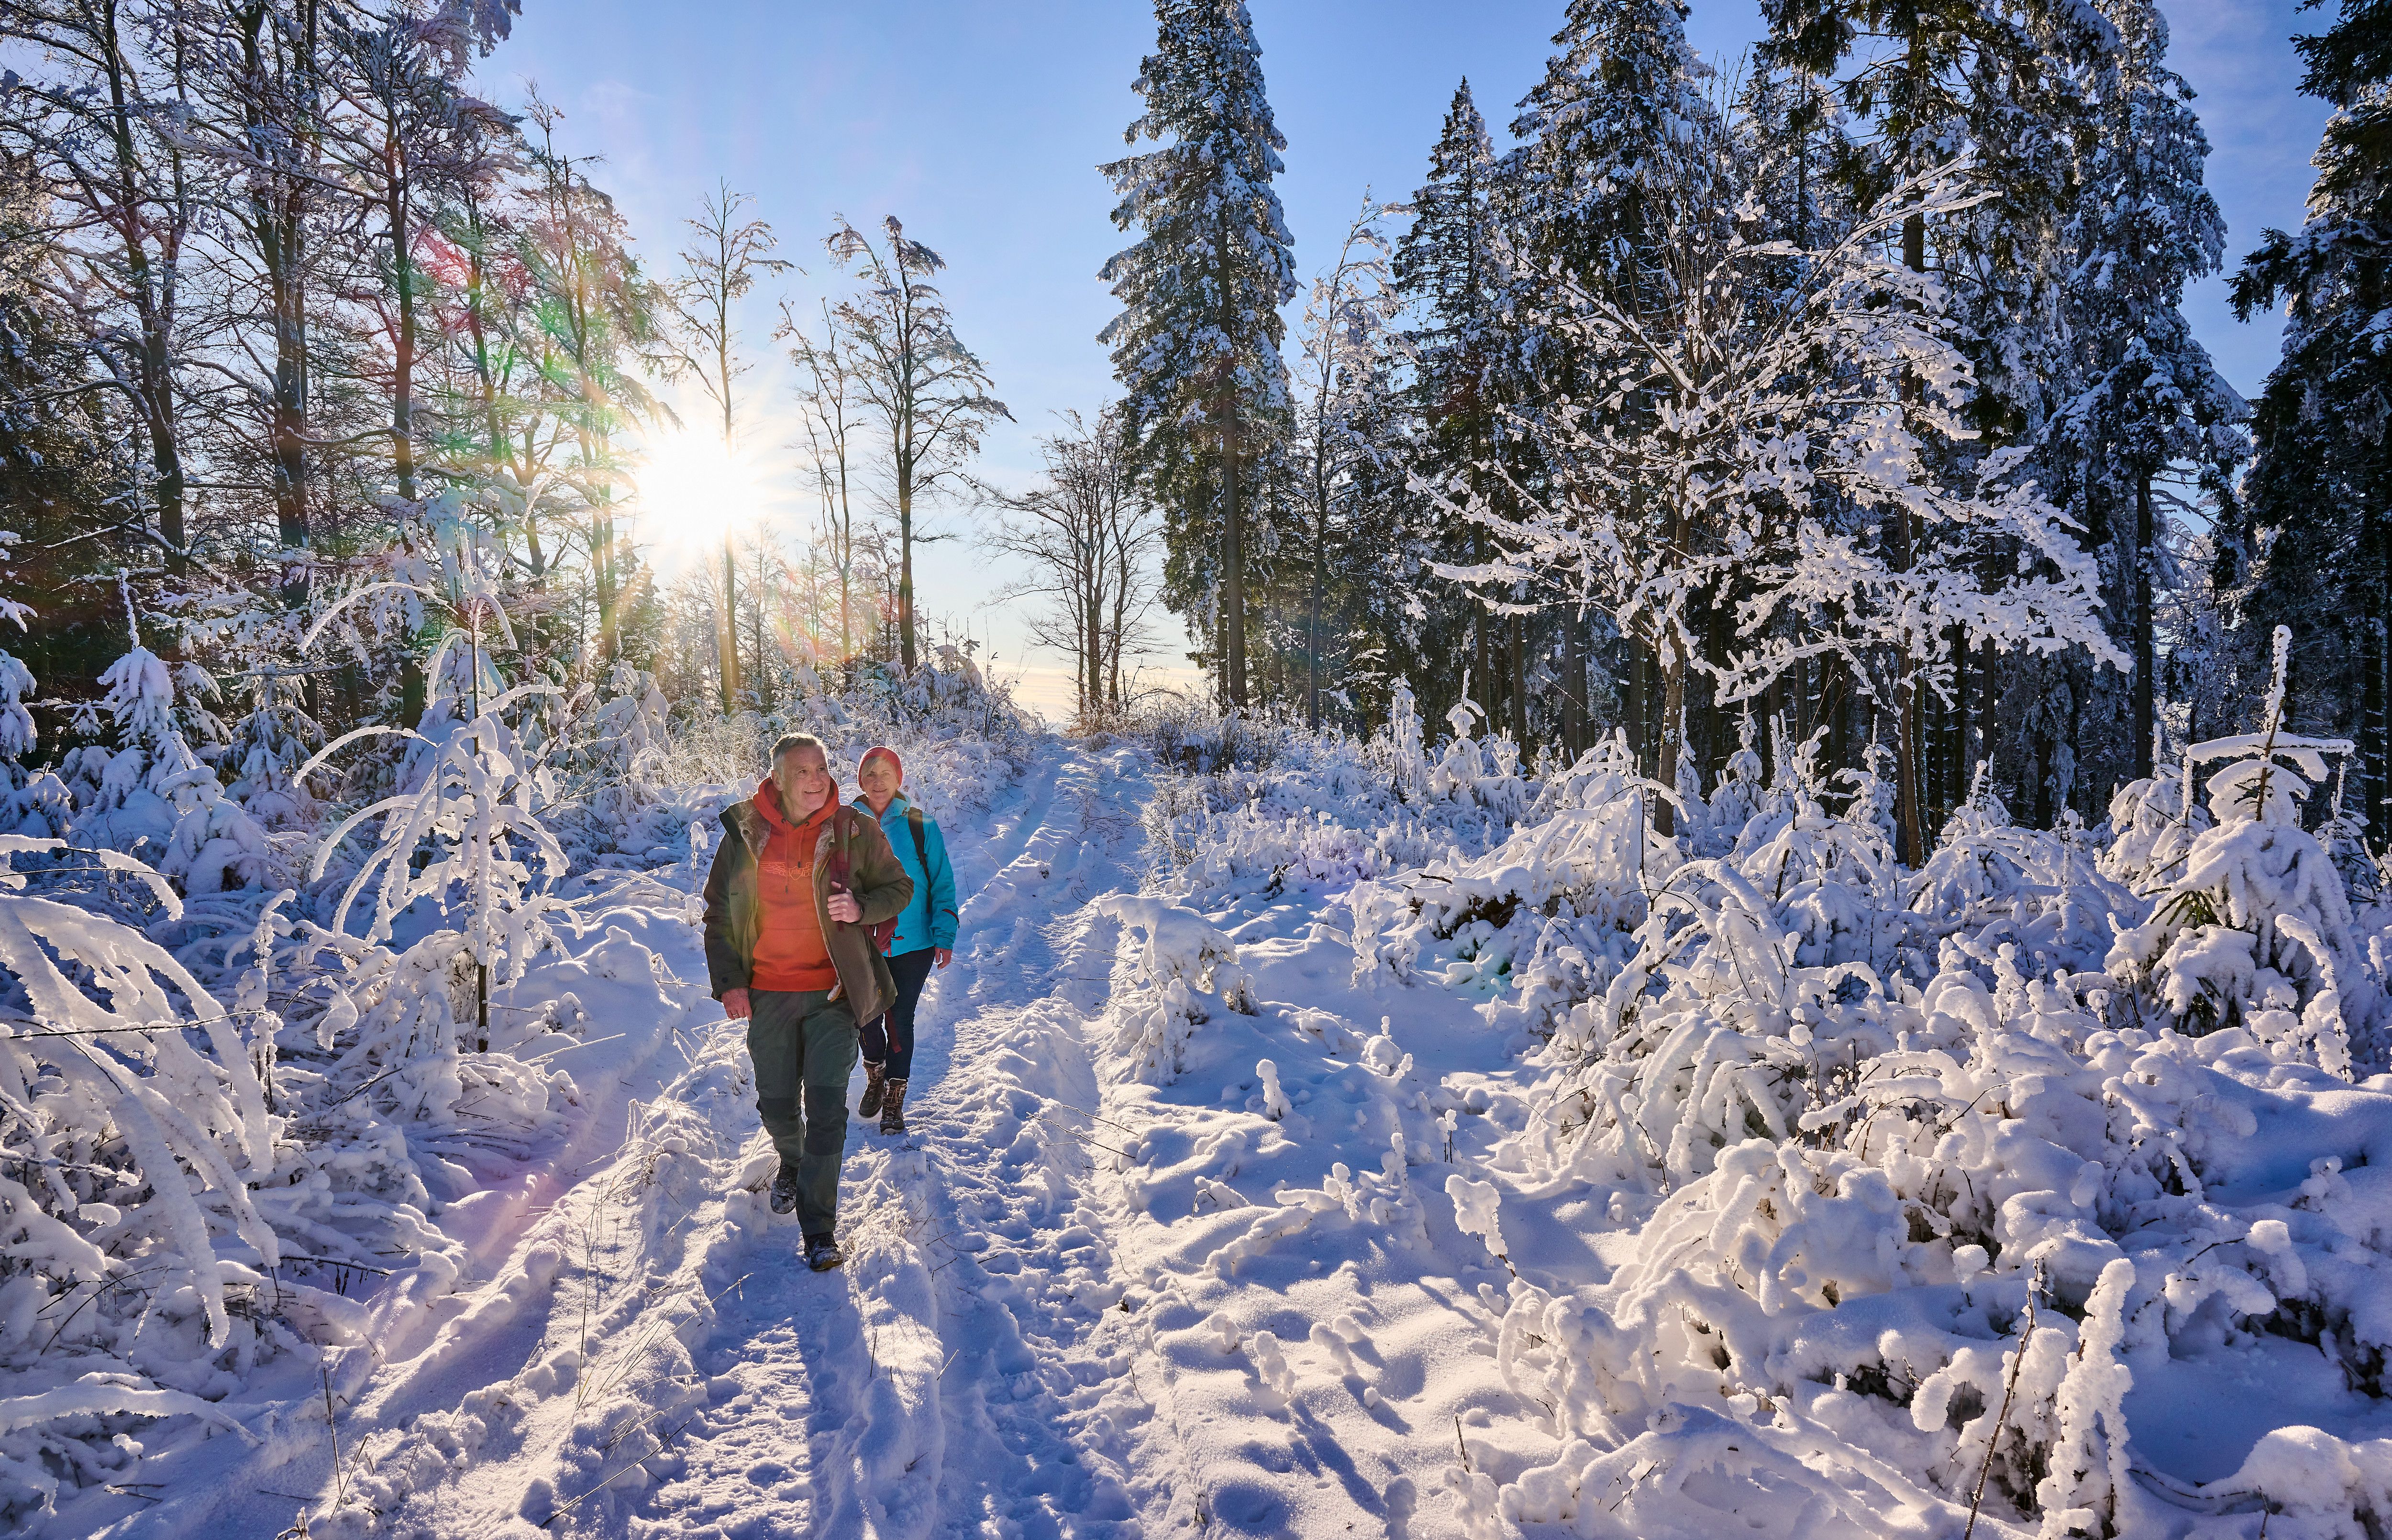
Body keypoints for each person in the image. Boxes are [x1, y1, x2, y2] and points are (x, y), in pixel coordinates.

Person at [703, 733, 913, 1271]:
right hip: (769, 994)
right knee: (776, 1103)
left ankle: (819, 1230)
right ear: (776, 779)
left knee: (825, 1111)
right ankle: (791, 1161)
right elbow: (719, 913)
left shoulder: (852, 830)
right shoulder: (746, 834)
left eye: (821, 768)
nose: (818, 779)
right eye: (803, 771)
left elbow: (899, 888)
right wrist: (729, 981)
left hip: (833, 997)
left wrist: (859, 907)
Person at [850, 746, 958, 1136]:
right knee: (866, 1017)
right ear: (860, 780)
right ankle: (875, 1073)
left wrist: (944, 933)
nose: (877, 781)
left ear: (900, 779)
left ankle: (894, 1099)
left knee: (900, 1019)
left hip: (914, 945)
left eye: (885, 773)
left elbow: (942, 882)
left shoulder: (920, 825)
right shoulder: (845, 824)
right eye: (869, 774)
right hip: (862, 943)